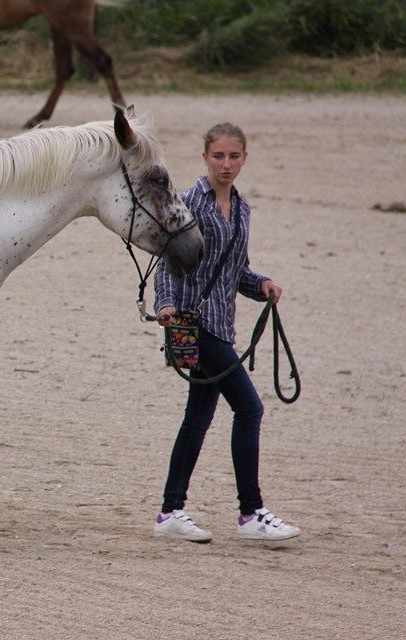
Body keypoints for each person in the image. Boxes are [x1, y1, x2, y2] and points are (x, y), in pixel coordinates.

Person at [151, 122, 300, 543]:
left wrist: (262, 285)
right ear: (205, 158)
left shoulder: (242, 208)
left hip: (221, 325)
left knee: (196, 419)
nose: (226, 164)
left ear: (244, 159)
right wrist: (165, 304)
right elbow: (168, 262)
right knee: (250, 409)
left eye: (234, 156)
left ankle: (170, 512)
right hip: (193, 325)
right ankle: (251, 512)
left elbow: (236, 271)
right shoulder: (190, 203)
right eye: (219, 155)